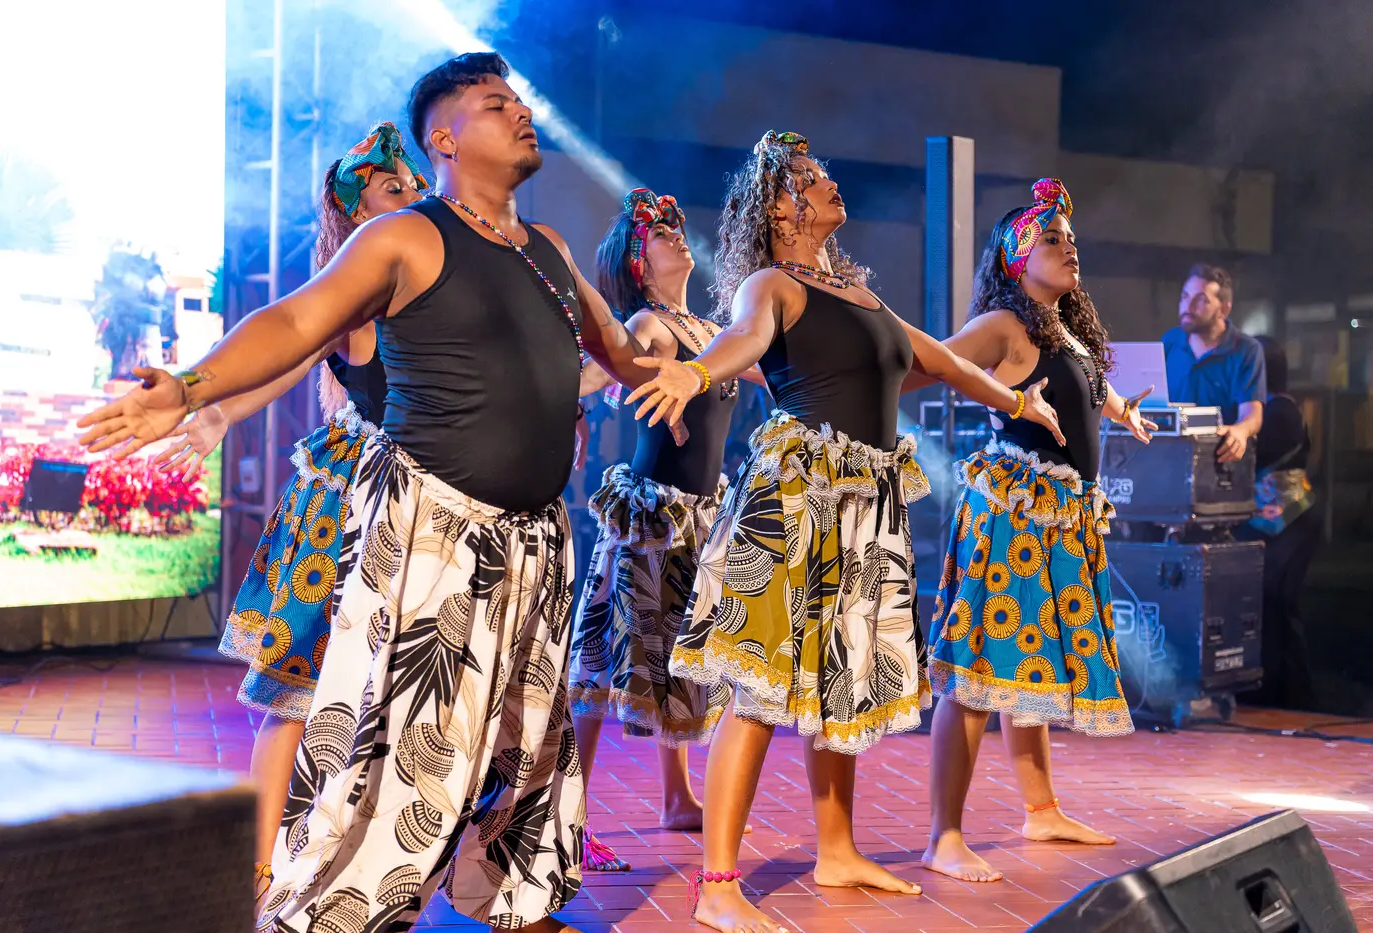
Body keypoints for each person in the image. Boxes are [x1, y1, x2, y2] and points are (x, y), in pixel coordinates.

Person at [78, 52, 661, 933]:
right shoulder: (406, 237)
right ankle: (330, 913)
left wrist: (689, 369)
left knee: (527, 732)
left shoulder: (546, 250)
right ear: (445, 140)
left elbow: (614, 346)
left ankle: (511, 899)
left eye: (519, 101)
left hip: (535, 542)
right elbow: (295, 320)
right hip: (436, 534)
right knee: (397, 744)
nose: (521, 113)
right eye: (495, 104)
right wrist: (193, 390)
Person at [624, 131, 1064, 933]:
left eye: (823, 171)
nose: (828, 181)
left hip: (865, 505)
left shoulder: (863, 298)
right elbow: (744, 336)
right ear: (780, 207)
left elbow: (942, 361)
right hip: (796, 497)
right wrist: (696, 369)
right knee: (760, 686)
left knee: (842, 683)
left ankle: (837, 848)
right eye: (809, 176)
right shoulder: (772, 283)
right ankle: (717, 883)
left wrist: (1017, 401)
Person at [151, 122, 426, 905]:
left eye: (414, 185)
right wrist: (220, 410)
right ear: (354, 213)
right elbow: (293, 348)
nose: (411, 196)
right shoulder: (356, 294)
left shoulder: (434, 285)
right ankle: (255, 867)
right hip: (349, 503)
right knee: (298, 688)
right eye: (392, 189)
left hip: (423, 505)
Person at [912, 179, 1155, 883]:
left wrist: (1120, 410)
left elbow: (1084, 387)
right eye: (1052, 239)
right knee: (977, 669)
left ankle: (1041, 809)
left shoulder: (1061, 326)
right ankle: (943, 835)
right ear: (1016, 258)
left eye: (1071, 238)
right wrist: (862, 383)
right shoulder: (1002, 325)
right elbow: (935, 361)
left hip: (1062, 514)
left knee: (1032, 660)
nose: (1069, 247)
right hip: (1012, 510)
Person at [568, 188, 763, 873]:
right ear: (638, 262)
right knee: (607, 664)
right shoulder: (649, 324)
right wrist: (573, 401)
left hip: (704, 516)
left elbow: (771, 368)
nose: (679, 237)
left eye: (680, 228)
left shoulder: (710, 331)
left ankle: (677, 797)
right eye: (662, 233)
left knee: (677, 657)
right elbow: (601, 366)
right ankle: (567, 815)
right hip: (650, 517)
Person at [1237, 336, 1318, 709]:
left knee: (1277, 608)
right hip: (1278, 523)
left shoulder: (1280, 411)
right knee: (1270, 609)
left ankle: (1293, 696)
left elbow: (1254, 455)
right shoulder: (1276, 408)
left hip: (1289, 524)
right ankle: (1279, 693)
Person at [1163, 264, 1265, 463]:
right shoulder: (1170, 342)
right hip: (1168, 458)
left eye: (1201, 300)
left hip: (1218, 460)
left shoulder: (1246, 350)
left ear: (1224, 309)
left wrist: (1241, 430)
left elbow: (1253, 413)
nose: (1188, 307)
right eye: (1185, 297)